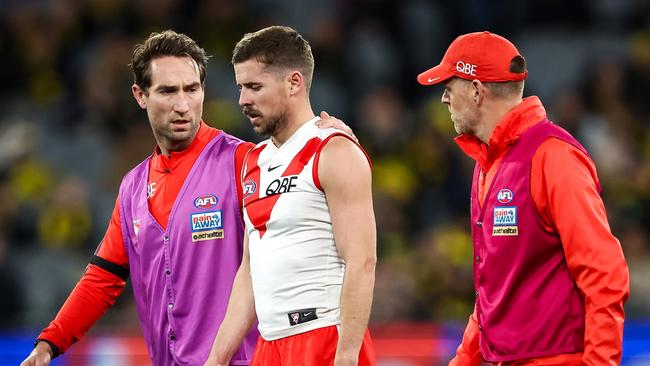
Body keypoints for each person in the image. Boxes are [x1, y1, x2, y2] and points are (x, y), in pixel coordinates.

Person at [21, 30, 352, 366]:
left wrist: (331, 141)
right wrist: (49, 344)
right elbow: (103, 278)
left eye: (191, 89)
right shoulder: (133, 187)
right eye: (167, 91)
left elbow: (315, 192)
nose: (182, 105)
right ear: (140, 95)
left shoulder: (246, 163)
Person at [417, 31, 630, 365]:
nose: (444, 100)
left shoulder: (552, 156)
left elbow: (605, 275)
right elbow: (494, 293)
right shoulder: (488, 165)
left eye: (448, 88)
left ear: (476, 91)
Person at [203, 26, 377, 366]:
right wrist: (217, 359)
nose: (243, 100)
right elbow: (250, 270)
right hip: (269, 347)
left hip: (325, 338)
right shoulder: (253, 161)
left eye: (254, 86)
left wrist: (347, 356)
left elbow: (363, 261)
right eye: (241, 87)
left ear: (294, 83)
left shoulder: (334, 152)